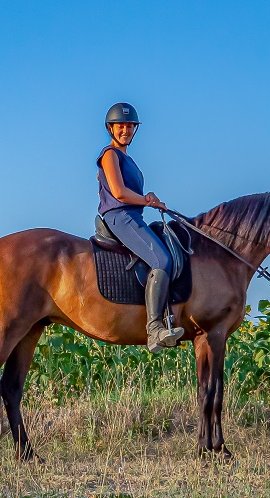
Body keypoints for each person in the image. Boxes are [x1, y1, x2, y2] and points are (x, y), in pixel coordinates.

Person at [96, 102, 184, 353]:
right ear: (111, 129)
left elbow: (132, 193)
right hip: (119, 216)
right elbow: (119, 193)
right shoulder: (110, 155)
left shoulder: (129, 159)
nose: (125, 130)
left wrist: (149, 198)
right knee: (162, 259)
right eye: (120, 126)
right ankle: (155, 329)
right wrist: (147, 200)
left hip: (133, 216)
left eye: (129, 126)